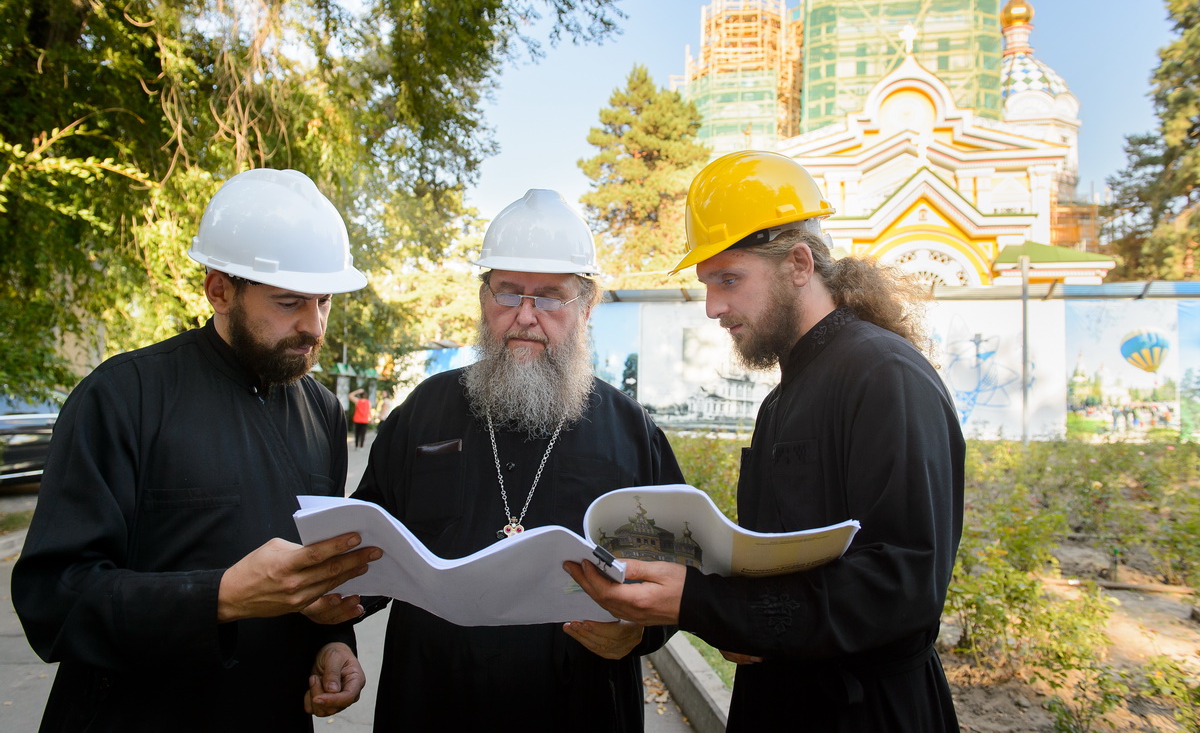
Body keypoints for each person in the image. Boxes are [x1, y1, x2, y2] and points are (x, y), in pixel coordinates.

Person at [566, 151, 965, 732]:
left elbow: (903, 584)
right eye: (707, 283)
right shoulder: (785, 394)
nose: (713, 307)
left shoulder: (883, 374)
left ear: (799, 263)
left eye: (729, 279)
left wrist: (709, 606)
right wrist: (708, 605)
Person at [13, 168, 384, 732]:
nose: (314, 327)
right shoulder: (124, 396)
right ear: (219, 290)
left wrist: (331, 639)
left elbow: (315, 570)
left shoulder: (323, 413)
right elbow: (53, 599)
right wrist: (219, 596)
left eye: (324, 302)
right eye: (289, 303)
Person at [352, 188, 685, 731]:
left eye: (550, 297)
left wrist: (639, 631)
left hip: (579, 706)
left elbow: (675, 568)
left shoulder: (631, 430)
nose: (526, 316)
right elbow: (369, 542)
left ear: (586, 305)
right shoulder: (424, 411)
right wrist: (336, 623)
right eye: (508, 293)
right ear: (484, 298)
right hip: (434, 701)